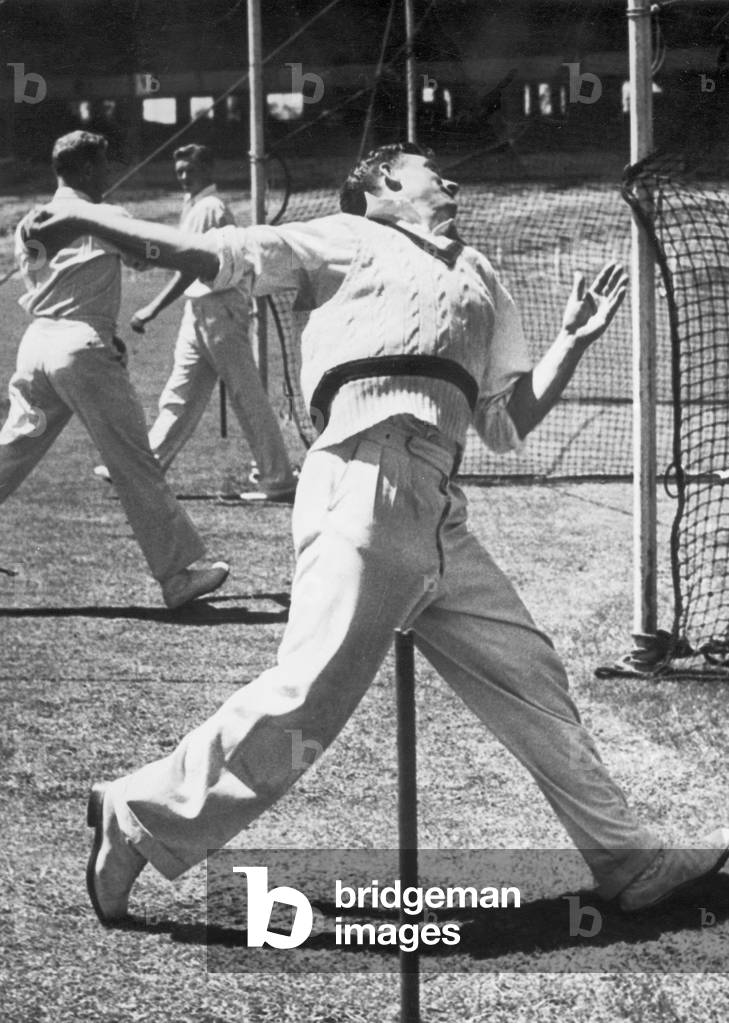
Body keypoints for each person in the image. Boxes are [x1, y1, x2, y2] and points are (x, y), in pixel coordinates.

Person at [29, 142, 729, 924]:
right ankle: (137, 814)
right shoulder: (343, 237)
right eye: (434, 167)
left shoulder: (481, 275)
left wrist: (571, 339)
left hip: (438, 505)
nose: (451, 176)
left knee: (529, 675)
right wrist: (90, 215)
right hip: (360, 476)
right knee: (308, 701)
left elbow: (502, 422)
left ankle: (626, 859)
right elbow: (210, 256)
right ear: (383, 184)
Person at [2, 130, 230, 609]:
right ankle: (177, 577)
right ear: (84, 170)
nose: (109, 172)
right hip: (80, 347)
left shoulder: (28, 221)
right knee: (133, 462)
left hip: (39, 344)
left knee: (12, 452)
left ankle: (177, 573)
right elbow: (146, 256)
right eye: (103, 164)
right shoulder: (106, 216)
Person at [95, 143, 296, 502]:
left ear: (207, 170)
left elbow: (191, 266)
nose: (184, 176)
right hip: (201, 311)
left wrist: (152, 308)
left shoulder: (208, 207)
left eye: (190, 170)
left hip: (221, 309)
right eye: (180, 171)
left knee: (246, 397)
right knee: (179, 395)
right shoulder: (195, 206)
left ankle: (278, 478)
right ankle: (140, 470)